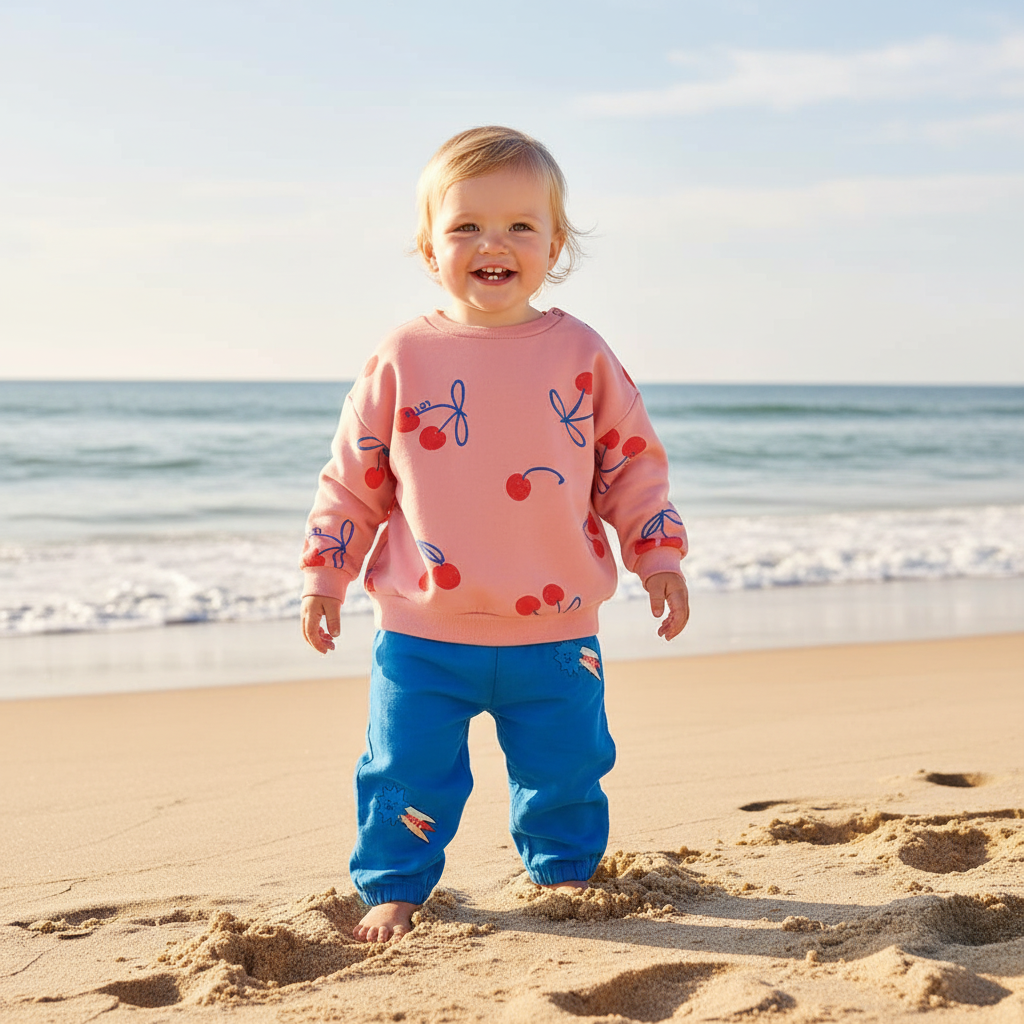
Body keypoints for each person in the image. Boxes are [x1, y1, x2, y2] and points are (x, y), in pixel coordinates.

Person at [301, 126, 689, 943]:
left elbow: (630, 464)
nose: (493, 244)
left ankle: (566, 871)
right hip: (423, 631)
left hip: (556, 632)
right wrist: (325, 575)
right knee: (402, 771)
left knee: (567, 766)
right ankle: (395, 886)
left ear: (556, 244)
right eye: (467, 226)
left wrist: (657, 554)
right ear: (428, 247)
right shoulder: (403, 356)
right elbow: (355, 477)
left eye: (519, 225)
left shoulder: (580, 352)